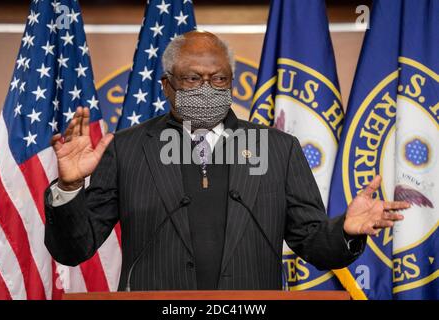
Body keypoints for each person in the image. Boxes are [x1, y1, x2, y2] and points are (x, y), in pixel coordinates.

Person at [44, 31, 409, 291]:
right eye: (192, 78)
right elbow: (73, 249)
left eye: (219, 78)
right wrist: (70, 186)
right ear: (167, 84)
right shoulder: (127, 149)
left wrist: (344, 229)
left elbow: (311, 242)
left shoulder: (278, 149)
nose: (208, 87)